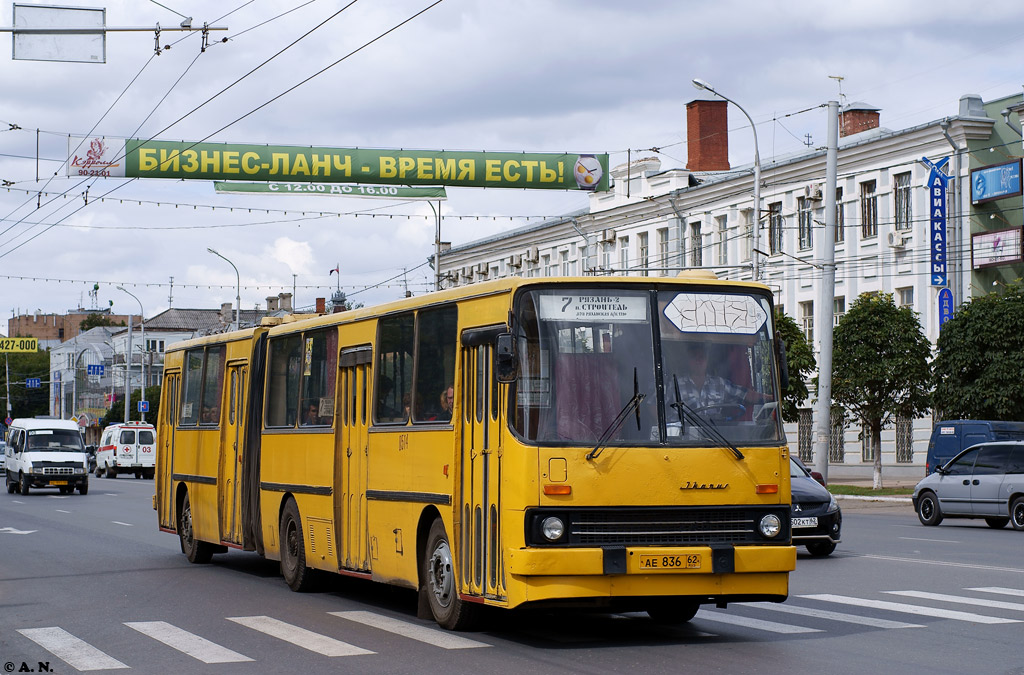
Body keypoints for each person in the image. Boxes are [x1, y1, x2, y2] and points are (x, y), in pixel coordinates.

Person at [672, 341, 764, 417]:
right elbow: (658, 407)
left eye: (702, 357)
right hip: (684, 436)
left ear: (707, 360)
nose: (698, 361)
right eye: (694, 357)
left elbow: (746, 395)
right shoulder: (675, 385)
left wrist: (774, 398)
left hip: (715, 435)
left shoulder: (720, 384)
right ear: (688, 361)